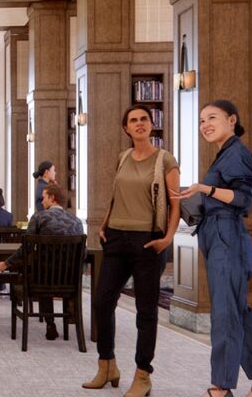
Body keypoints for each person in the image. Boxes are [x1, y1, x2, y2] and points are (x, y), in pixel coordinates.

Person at [169, 101, 252, 397]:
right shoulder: (224, 154)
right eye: (202, 119)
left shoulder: (237, 153)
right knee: (237, 312)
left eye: (212, 118)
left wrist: (204, 189)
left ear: (232, 119)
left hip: (228, 237)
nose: (205, 124)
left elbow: (243, 198)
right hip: (218, 235)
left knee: (225, 315)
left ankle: (220, 387)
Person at [86, 106, 181, 396]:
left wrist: (168, 238)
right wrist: (103, 224)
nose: (139, 124)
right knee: (102, 302)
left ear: (152, 125)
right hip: (115, 237)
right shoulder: (123, 157)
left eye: (144, 120)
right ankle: (107, 365)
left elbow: (175, 203)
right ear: (126, 128)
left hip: (148, 241)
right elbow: (116, 196)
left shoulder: (165, 160)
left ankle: (143, 375)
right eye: (133, 121)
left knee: (146, 310)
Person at [0, 183, 83, 340]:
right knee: (47, 271)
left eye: (44, 197)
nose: (42, 201)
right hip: (69, 280)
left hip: (42, 279)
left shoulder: (39, 217)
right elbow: (83, 253)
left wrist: (4, 264)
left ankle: (50, 323)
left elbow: (26, 248)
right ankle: (70, 316)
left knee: (41, 273)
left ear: (52, 198)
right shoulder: (76, 221)